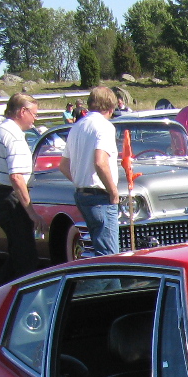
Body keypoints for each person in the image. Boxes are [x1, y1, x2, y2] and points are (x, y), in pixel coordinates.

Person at [59, 85, 121, 256]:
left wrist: (82, 179)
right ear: (111, 107)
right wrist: (113, 191)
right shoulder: (104, 127)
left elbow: (63, 165)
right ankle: (84, 284)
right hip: (100, 197)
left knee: (101, 251)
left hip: (82, 194)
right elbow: (100, 162)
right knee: (109, 256)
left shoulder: (77, 127)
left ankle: (112, 283)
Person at [0, 93, 39, 281]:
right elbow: (16, 177)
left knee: (17, 254)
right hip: (11, 198)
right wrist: (31, 212)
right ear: (22, 111)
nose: (35, 118)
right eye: (33, 113)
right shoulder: (13, 136)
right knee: (26, 258)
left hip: (0, 196)